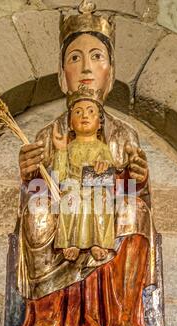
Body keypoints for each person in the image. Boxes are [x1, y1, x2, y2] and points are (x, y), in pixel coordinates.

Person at [16, 0, 157, 326]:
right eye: (75, 57)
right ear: (62, 72)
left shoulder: (124, 134)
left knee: (133, 211)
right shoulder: (49, 134)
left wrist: (137, 179)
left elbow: (134, 191)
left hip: (105, 209)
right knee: (36, 213)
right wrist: (31, 174)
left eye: (97, 56)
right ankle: (47, 319)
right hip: (65, 210)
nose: (86, 67)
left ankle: (122, 318)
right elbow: (37, 189)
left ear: (111, 70)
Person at [53, 89, 115, 262]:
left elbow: (111, 172)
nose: (84, 116)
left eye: (90, 111)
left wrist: (104, 166)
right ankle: (71, 242)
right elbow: (59, 176)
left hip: (95, 188)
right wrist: (60, 150)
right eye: (78, 112)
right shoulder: (69, 147)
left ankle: (99, 242)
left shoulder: (102, 148)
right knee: (70, 200)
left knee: (102, 199)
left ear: (100, 123)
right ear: (71, 124)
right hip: (73, 187)